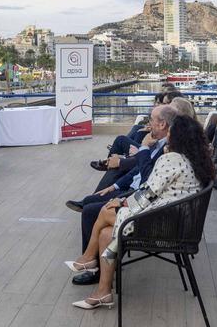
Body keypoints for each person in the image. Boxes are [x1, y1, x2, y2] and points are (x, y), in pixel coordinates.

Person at [68, 114, 213, 310]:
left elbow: (147, 194)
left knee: (105, 210)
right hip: (178, 223)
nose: (167, 135)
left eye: (170, 131)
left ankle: (87, 260)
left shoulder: (171, 159)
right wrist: (122, 201)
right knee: (105, 232)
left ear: (178, 136)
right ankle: (103, 291)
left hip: (161, 225)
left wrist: (122, 203)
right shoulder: (196, 160)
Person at [67, 103, 177, 287]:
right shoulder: (158, 143)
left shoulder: (169, 151)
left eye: (151, 119)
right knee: (96, 202)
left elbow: (148, 179)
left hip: (149, 206)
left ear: (162, 124)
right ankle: (94, 266)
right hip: (145, 196)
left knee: (90, 211)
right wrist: (115, 187)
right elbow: (139, 171)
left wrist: (142, 149)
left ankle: (93, 267)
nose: (148, 123)